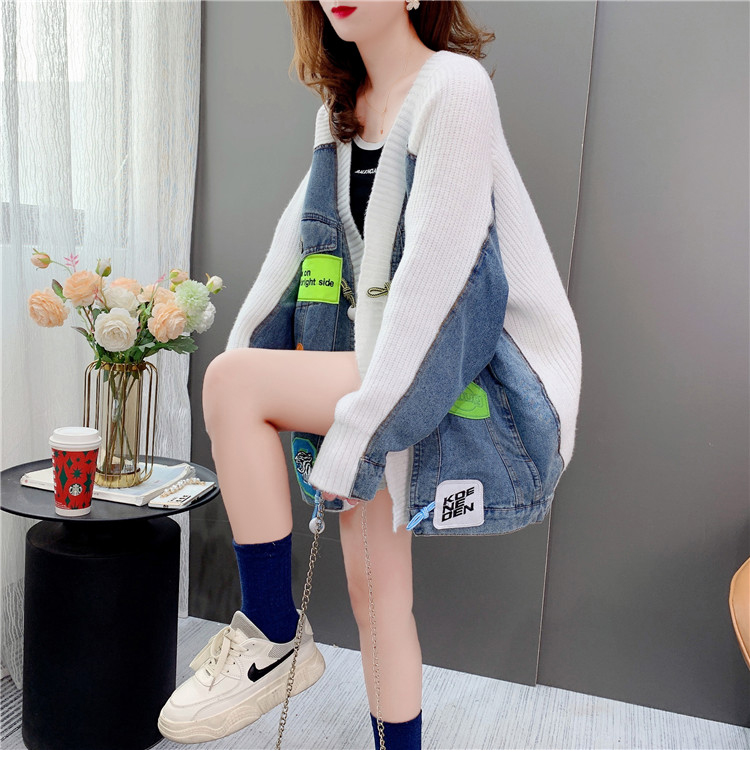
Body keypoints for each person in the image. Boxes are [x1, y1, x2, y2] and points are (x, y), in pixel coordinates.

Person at [158, 0, 582, 751]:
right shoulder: (339, 112)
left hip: (458, 364)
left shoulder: (453, 89)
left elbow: (438, 286)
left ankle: (273, 637)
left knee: (231, 384)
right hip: (382, 368)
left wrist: (354, 427)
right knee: (378, 597)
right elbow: (294, 252)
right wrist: (255, 347)